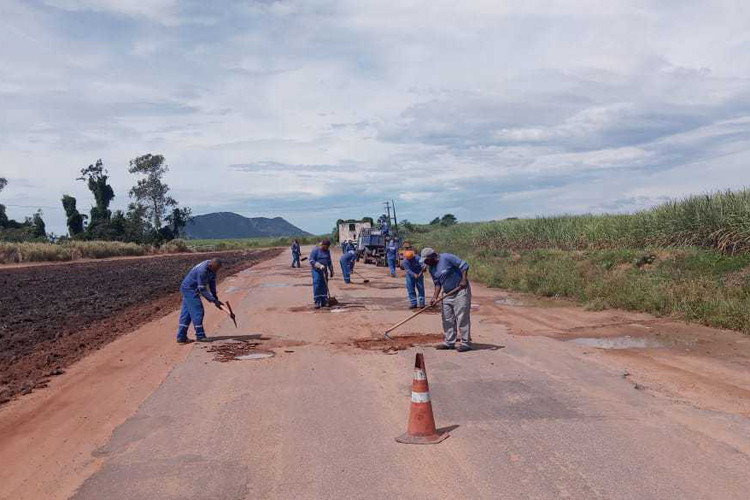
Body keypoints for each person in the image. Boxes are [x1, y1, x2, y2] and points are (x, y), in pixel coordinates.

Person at [421, 248, 472, 352]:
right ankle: (449, 342)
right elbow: (438, 284)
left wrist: (464, 279)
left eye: (427, 260)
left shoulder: (447, 257)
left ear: (433, 257)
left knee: (462, 317)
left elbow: (464, 265)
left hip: (460, 291)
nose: (426, 263)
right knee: (447, 318)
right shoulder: (432, 269)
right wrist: (434, 297)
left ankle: (466, 343)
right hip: (447, 293)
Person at [176, 258, 223, 344]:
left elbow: (212, 286)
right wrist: (213, 300)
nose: (215, 272)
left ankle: (181, 337)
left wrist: (216, 299)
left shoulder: (213, 269)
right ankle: (200, 336)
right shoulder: (202, 270)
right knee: (198, 311)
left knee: (186, 314)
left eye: (217, 270)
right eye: (214, 270)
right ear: (210, 266)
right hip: (189, 289)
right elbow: (202, 289)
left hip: (192, 289)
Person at [309, 239, 334, 308]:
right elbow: (311, 260)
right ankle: (317, 301)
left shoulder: (327, 251)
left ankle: (324, 300)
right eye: (325, 247)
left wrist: (331, 270)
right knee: (317, 284)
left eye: (327, 247)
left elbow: (329, 261)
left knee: (324, 284)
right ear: (322, 245)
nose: (326, 248)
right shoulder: (315, 250)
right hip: (317, 270)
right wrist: (319, 265)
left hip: (324, 270)